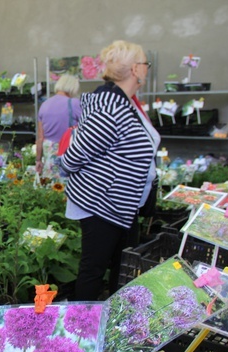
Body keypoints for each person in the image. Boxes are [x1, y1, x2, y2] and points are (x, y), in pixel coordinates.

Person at [61, 40, 160, 301]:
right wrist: (108, 176)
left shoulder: (126, 103)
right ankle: (84, 327)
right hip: (102, 204)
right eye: (145, 64)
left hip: (121, 205)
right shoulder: (110, 108)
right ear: (136, 70)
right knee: (93, 271)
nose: (147, 70)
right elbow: (71, 159)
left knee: (121, 270)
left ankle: (111, 327)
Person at [35, 74, 81, 181]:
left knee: (52, 191)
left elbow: (40, 138)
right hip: (68, 155)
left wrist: (38, 160)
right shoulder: (75, 104)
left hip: (49, 157)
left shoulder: (44, 105)